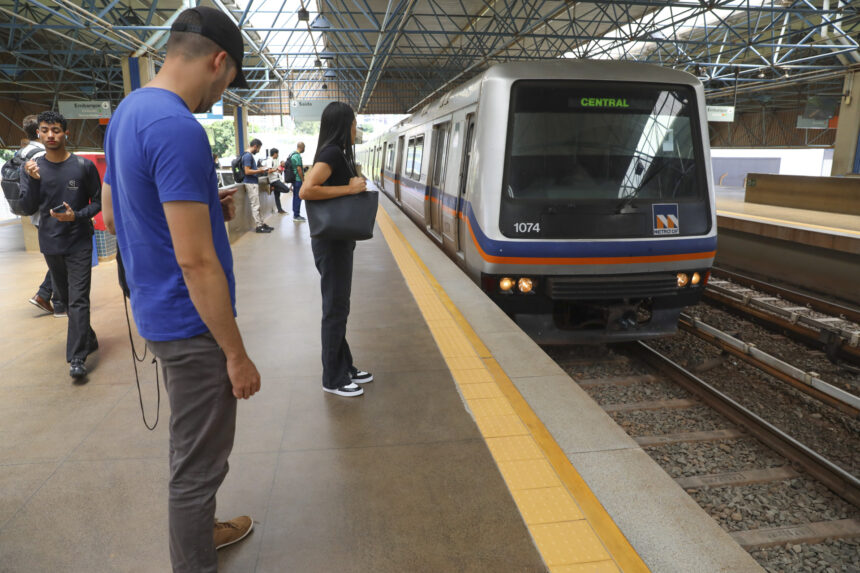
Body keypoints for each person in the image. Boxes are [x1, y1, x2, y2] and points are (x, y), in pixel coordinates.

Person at [102, 6, 260, 571]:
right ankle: (193, 557)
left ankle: (201, 530)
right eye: (230, 80)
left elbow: (117, 215)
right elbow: (197, 264)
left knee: (191, 447)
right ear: (219, 61)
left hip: (156, 312)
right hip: (193, 326)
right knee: (197, 464)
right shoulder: (176, 127)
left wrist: (199, 211)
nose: (221, 94)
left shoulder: (128, 113)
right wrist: (236, 354)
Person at [19, 111, 101, 379]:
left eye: (56, 130)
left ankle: (77, 358)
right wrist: (31, 181)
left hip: (79, 241)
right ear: (39, 134)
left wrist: (76, 216)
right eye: (45, 130)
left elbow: (99, 202)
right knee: (65, 299)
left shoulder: (83, 166)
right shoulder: (32, 168)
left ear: (66, 133)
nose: (51, 135)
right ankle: (87, 336)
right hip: (50, 243)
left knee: (78, 299)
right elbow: (27, 206)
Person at [300, 102, 373, 397]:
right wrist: (351, 189)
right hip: (331, 243)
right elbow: (307, 189)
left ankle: (344, 365)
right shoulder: (331, 152)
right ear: (344, 124)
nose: (356, 129)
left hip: (338, 240)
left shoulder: (338, 152)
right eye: (354, 123)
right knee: (335, 308)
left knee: (339, 306)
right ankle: (332, 377)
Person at [17, 114, 62, 316]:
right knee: (63, 259)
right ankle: (46, 295)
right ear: (39, 131)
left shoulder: (22, 152)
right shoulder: (43, 153)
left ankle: (49, 296)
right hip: (48, 214)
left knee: (58, 257)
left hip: (33, 213)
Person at [241, 138, 273, 233]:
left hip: (253, 182)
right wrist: (260, 170)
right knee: (255, 205)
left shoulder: (248, 155)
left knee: (257, 205)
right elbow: (247, 171)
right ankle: (259, 226)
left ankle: (262, 223)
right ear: (255, 146)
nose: (258, 151)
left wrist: (260, 168)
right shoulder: (247, 156)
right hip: (250, 183)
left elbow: (251, 169)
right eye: (258, 148)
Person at [262, 148, 287, 214]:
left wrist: (277, 170)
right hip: (274, 180)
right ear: (275, 153)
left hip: (276, 178)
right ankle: (273, 188)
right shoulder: (270, 160)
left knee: (277, 196)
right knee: (286, 189)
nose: (278, 155)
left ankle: (280, 209)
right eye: (277, 154)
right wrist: (276, 169)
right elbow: (269, 170)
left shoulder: (272, 160)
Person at [288, 142, 306, 222]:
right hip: (298, 180)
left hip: (294, 179)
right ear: (302, 147)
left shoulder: (292, 154)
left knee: (295, 197)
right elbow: (299, 169)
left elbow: (293, 169)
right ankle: (296, 215)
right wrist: (303, 180)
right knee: (298, 197)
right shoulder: (297, 156)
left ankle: (296, 214)